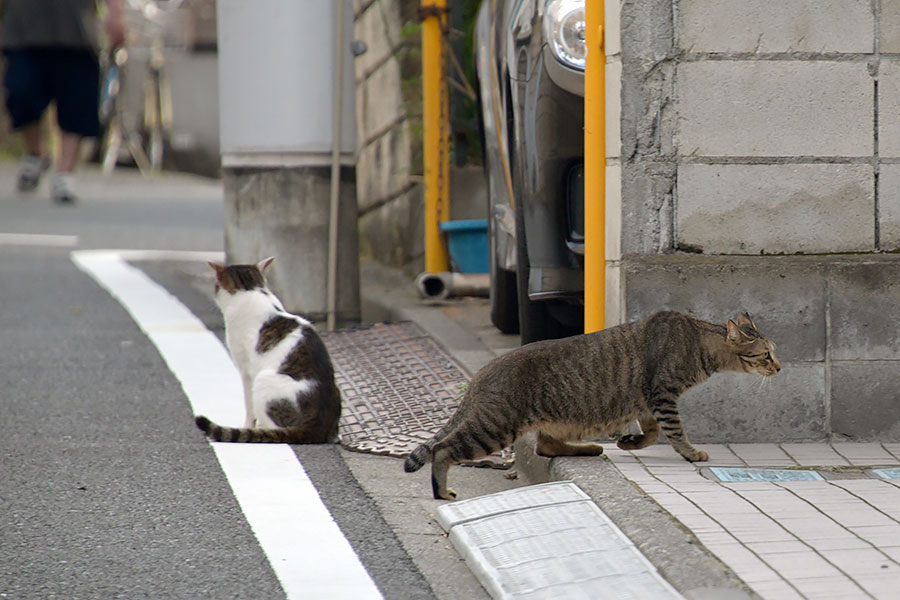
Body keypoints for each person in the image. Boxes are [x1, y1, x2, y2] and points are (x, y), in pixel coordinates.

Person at [0, 0, 126, 203]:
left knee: (76, 104)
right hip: (24, 30)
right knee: (20, 93)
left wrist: (115, 13)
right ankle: (36, 153)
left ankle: (64, 173)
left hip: (77, 33)